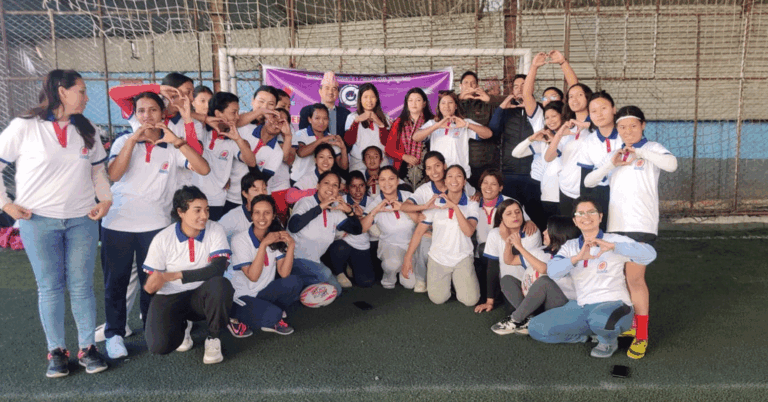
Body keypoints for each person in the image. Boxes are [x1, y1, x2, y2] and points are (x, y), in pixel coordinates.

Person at [0, 69, 112, 377]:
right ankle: (57, 352)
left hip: (82, 220)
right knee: (50, 287)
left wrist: (105, 199)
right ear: (62, 91)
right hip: (38, 221)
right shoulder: (24, 126)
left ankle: (88, 348)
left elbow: (98, 172)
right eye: (81, 91)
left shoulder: (86, 128)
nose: (86, 97)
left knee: (82, 286)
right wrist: (6, 204)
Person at [100, 91, 210, 359]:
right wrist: (132, 141)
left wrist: (178, 141)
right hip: (117, 224)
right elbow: (113, 175)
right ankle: (114, 334)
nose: (147, 116)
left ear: (163, 114)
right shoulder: (123, 140)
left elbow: (203, 169)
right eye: (141, 111)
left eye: (152, 110)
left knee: (153, 282)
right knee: (116, 282)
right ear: (135, 115)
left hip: (155, 226)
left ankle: (153, 329)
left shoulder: (171, 145)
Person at [584, 105, 678, 359]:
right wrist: (611, 164)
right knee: (622, 279)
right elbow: (589, 181)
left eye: (633, 126)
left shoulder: (652, 148)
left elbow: (671, 164)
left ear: (643, 126)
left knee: (635, 279)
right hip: (616, 227)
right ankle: (632, 324)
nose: (628, 131)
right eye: (623, 127)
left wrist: (641, 152)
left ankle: (643, 335)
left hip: (641, 226)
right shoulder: (615, 153)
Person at [527, 196, 656, 358]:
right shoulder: (570, 246)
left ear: (600, 217)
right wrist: (576, 258)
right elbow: (552, 271)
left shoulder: (614, 240)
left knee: (600, 319)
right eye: (580, 213)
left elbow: (650, 254)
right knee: (536, 327)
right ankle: (587, 337)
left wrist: (615, 247)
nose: (586, 217)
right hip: (582, 307)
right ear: (575, 221)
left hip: (615, 304)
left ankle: (608, 341)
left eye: (591, 212)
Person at [142, 186, 235, 364]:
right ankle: (183, 325)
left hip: (202, 295)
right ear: (181, 212)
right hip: (171, 295)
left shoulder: (215, 229)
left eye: (206, 209)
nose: (204, 216)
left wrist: (173, 275)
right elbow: (151, 285)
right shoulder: (162, 239)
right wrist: (151, 286)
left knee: (221, 285)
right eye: (197, 210)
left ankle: (213, 337)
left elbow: (217, 269)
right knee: (158, 346)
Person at [402, 165, 481, 306]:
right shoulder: (435, 203)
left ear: (464, 181)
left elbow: (469, 231)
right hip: (438, 258)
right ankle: (450, 281)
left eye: (459, 176)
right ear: (445, 181)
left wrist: (455, 207)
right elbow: (419, 232)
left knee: (470, 301)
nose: (454, 180)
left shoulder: (472, 204)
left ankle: (457, 280)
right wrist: (407, 258)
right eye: (450, 176)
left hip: (462, 257)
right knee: (438, 299)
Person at [108, 73, 205, 185]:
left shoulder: (194, 124)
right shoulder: (144, 115)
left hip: (179, 188)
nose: (192, 99)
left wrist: (188, 120)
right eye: (188, 93)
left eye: (192, 94)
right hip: (141, 184)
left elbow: (196, 157)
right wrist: (157, 88)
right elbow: (114, 93)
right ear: (172, 93)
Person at [490, 215, 579, 335]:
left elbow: (544, 269)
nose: (544, 232)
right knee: (507, 280)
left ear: (558, 234)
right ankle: (529, 318)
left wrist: (520, 247)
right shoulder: (541, 250)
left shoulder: (570, 255)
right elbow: (509, 260)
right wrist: (508, 244)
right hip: (537, 302)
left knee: (544, 282)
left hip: (559, 304)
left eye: (548, 230)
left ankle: (515, 319)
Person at [227, 195, 302, 336]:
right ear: (251, 215)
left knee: (294, 282)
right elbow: (253, 276)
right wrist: (263, 244)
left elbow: (284, 273)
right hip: (241, 297)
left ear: (273, 215)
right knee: (273, 315)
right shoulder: (240, 239)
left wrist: (291, 245)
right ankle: (234, 319)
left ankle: (266, 313)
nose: (262, 217)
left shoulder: (274, 235)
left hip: (262, 293)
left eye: (267, 213)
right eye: (257, 212)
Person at [287, 171, 363, 295]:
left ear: (338, 190)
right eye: (326, 183)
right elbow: (293, 226)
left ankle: (300, 285)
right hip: (293, 259)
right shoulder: (306, 202)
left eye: (335, 185)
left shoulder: (335, 209)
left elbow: (356, 230)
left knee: (336, 290)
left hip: (315, 261)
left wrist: (349, 212)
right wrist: (320, 206)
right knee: (327, 279)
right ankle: (295, 284)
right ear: (318, 186)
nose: (330, 188)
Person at [472, 169, 537, 301]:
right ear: (480, 185)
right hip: (483, 254)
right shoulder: (473, 204)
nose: (488, 187)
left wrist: (529, 221)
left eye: (494, 184)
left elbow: (524, 220)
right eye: (485, 183)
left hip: (506, 248)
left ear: (500, 187)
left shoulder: (509, 202)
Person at [193, 92, 256, 221]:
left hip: (216, 201)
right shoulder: (200, 128)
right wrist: (205, 119)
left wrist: (238, 139)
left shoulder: (232, 140)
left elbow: (251, 162)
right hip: (192, 198)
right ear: (218, 113)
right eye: (234, 112)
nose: (237, 117)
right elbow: (182, 113)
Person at [475, 199, 542, 313]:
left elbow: (522, 261)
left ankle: (529, 313)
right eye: (509, 213)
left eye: (517, 212)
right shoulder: (494, 234)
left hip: (529, 283)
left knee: (522, 308)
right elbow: (492, 267)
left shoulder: (532, 232)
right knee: (512, 308)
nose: (515, 216)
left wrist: (507, 239)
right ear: (501, 218)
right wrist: (489, 301)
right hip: (508, 283)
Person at [361, 166, 420, 289]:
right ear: (378, 182)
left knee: (410, 284)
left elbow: (422, 220)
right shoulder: (375, 202)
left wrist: (404, 208)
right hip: (390, 245)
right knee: (392, 264)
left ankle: (405, 266)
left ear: (398, 181)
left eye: (391, 179)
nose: (387, 183)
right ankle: (388, 279)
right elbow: (362, 228)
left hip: (412, 245)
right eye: (382, 179)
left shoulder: (410, 197)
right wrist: (375, 211)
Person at [412, 90, 492, 179]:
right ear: (439, 106)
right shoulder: (432, 123)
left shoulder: (464, 122)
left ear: (456, 106)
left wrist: (467, 125)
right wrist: (437, 126)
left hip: (459, 174)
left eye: (450, 102)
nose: (446, 106)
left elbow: (488, 134)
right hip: (439, 174)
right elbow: (416, 137)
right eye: (443, 103)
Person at [544, 83, 594, 217]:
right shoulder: (567, 127)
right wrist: (559, 134)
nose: (574, 99)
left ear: (588, 98)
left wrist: (585, 124)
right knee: (567, 228)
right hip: (565, 190)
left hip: (589, 192)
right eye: (571, 96)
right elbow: (548, 157)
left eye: (579, 95)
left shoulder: (596, 126)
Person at [238, 108, 294, 222]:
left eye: (281, 122)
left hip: (249, 199)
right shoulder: (245, 129)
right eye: (274, 117)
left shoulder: (277, 153)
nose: (276, 122)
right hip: (227, 193)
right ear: (266, 117)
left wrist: (288, 136)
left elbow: (261, 180)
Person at [577, 91, 623, 231]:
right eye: (594, 111)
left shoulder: (626, 135)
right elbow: (585, 181)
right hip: (600, 195)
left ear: (614, 109)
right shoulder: (588, 142)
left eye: (604, 108)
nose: (599, 114)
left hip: (625, 193)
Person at [325, 171, 375, 288]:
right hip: (343, 242)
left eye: (361, 185)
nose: (358, 190)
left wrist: (362, 217)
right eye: (353, 186)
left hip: (361, 245)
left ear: (365, 186)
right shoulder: (339, 201)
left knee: (366, 282)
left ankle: (350, 264)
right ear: (347, 188)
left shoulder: (372, 202)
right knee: (339, 247)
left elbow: (372, 231)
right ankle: (339, 271)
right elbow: (333, 226)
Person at [456, 71, 503, 189]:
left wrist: (489, 99)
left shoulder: (485, 102)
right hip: (463, 158)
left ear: (477, 86)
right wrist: (459, 99)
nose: (469, 86)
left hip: (486, 158)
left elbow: (506, 106)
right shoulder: (455, 103)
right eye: (466, 83)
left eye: (473, 83)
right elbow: (443, 110)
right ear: (460, 86)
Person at [384, 87, 434, 190]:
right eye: (410, 100)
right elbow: (388, 149)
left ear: (424, 103)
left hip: (428, 171)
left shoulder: (432, 122)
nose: (414, 103)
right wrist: (403, 156)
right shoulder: (399, 123)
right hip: (403, 170)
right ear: (406, 103)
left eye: (418, 100)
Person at [292, 103, 348, 183]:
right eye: (317, 118)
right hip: (299, 181)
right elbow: (301, 153)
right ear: (310, 119)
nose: (321, 122)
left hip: (322, 183)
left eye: (325, 118)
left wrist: (343, 148)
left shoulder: (331, 138)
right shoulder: (300, 134)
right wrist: (321, 140)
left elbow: (343, 166)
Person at [344, 83, 390, 172]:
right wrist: (356, 122)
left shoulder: (385, 117)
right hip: (358, 163)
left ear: (377, 99)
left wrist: (380, 124)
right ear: (360, 99)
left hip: (381, 163)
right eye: (365, 97)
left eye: (372, 97)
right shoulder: (352, 117)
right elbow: (349, 142)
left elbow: (387, 143)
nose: (369, 100)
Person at [218, 171, 268, 244]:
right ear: (245, 194)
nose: (262, 193)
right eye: (256, 190)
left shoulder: (271, 215)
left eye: (264, 189)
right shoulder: (232, 218)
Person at [299, 71, 351, 137]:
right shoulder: (307, 111)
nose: (330, 92)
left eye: (334, 89)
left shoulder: (345, 113)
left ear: (338, 93)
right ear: (320, 91)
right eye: (327, 88)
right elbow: (302, 136)